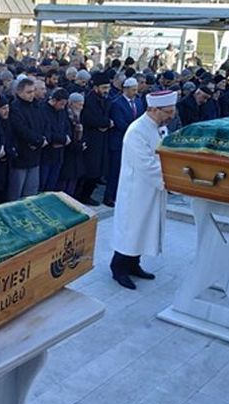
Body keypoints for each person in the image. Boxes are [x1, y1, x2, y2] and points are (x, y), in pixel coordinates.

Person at [110, 90, 177, 290]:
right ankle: (118, 268)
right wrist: (171, 178)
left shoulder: (159, 127)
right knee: (131, 229)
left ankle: (133, 264)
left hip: (152, 189)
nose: (171, 116)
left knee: (144, 229)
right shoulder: (136, 131)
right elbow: (146, 164)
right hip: (136, 191)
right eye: (168, 112)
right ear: (154, 109)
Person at [105, 77, 143, 207]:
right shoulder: (117, 103)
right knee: (115, 170)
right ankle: (110, 195)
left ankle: (123, 195)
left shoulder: (138, 102)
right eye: (133, 90)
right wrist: (136, 132)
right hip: (119, 142)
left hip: (134, 142)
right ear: (125, 89)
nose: (135, 92)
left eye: (136, 90)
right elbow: (120, 123)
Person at [7, 78, 46, 201]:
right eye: (28, 92)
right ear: (19, 92)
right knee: (16, 192)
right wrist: (36, 141)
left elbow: (42, 125)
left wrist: (40, 140)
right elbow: (20, 129)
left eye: (33, 91)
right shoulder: (15, 107)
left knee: (31, 193)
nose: (32, 95)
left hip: (35, 154)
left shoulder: (36, 106)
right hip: (21, 154)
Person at [78, 71, 113, 206]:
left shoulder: (106, 100)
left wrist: (106, 123)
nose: (106, 91)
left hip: (102, 140)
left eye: (107, 88)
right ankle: (81, 196)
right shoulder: (89, 100)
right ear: (96, 88)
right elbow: (90, 119)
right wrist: (106, 123)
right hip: (92, 140)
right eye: (104, 88)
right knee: (89, 171)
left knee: (98, 172)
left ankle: (87, 195)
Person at [39, 88, 71, 193]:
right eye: (61, 104)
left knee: (52, 183)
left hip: (59, 154)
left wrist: (66, 139)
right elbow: (46, 132)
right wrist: (62, 140)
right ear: (54, 100)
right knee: (42, 183)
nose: (63, 107)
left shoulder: (62, 111)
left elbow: (67, 127)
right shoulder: (43, 110)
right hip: (46, 154)